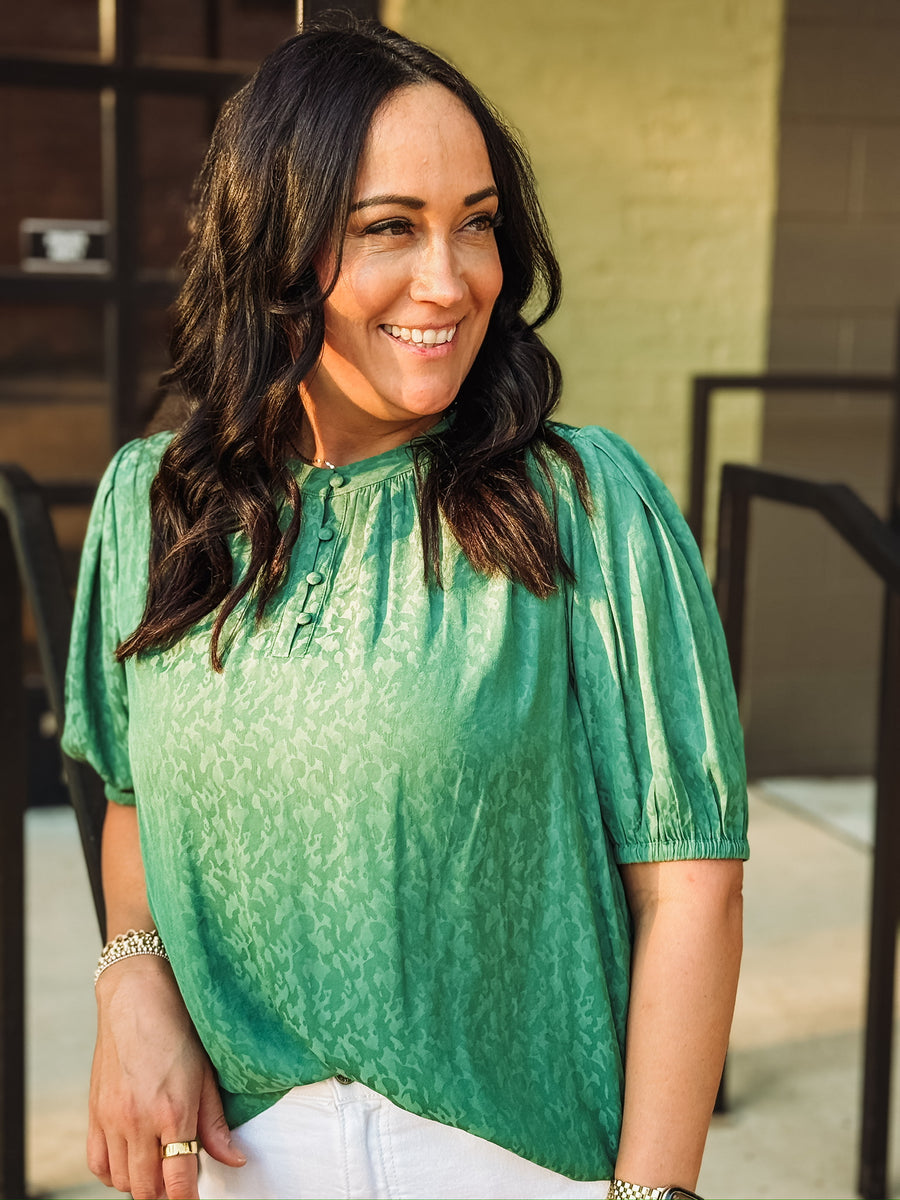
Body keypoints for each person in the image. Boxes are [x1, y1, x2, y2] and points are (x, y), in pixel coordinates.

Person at [63, 15, 748, 1200]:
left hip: (519, 1168)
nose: (452, 280)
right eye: (390, 227)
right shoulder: (154, 506)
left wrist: (653, 1194)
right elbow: (134, 799)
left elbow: (690, 886)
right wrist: (133, 976)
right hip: (236, 1166)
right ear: (275, 245)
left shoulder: (583, 505)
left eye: (476, 223)